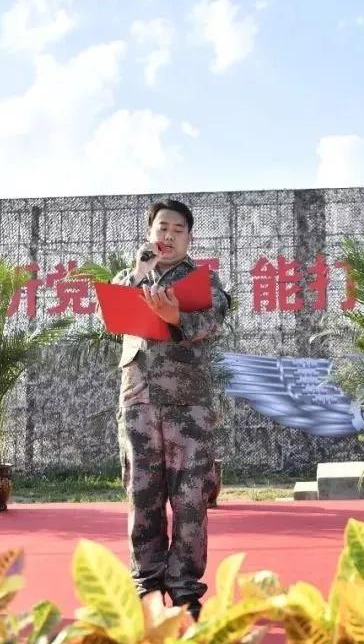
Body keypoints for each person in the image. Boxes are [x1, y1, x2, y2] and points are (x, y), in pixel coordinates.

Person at [109, 198, 230, 619]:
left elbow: (214, 322)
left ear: (189, 237)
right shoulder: (130, 276)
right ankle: (146, 585)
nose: (168, 236)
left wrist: (177, 317)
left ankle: (184, 590)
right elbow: (114, 320)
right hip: (138, 398)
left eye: (178, 229)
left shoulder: (203, 279)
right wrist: (140, 274)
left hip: (188, 401)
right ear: (150, 233)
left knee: (190, 499)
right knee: (143, 494)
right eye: (162, 228)